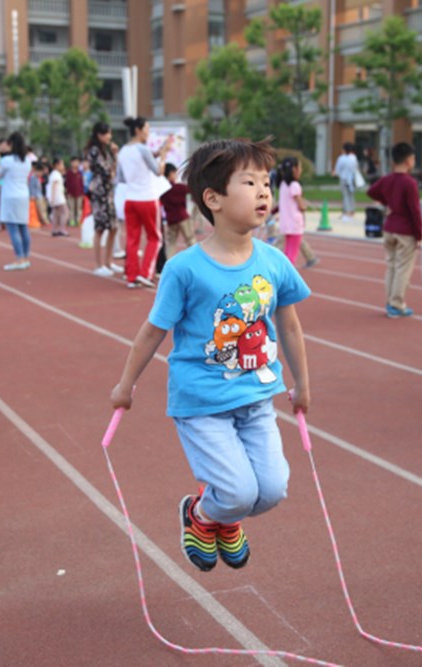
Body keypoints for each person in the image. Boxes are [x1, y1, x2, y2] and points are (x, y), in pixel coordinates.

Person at [110, 137, 311, 572]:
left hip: (257, 399)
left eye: (266, 183)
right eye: (250, 182)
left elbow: (290, 326)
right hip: (202, 403)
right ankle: (204, 513)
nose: (263, 192)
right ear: (213, 199)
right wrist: (126, 385)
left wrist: (302, 385)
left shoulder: (274, 262)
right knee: (238, 491)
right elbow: (152, 332)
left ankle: (220, 514)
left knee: (273, 489)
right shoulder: (185, 268)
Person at [367, 142, 422, 318]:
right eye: (413, 158)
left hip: (389, 228)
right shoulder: (409, 183)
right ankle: (396, 304)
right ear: (408, 160)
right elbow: (415, 210)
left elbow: (371, 191)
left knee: (391, 266)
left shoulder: (387, 179)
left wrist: (387, 202)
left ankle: (391, 301)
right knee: (402, 269)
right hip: (405, 230)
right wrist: (419, 233)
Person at [116, 116, 173, 288]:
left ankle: (131, 276)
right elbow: (158, 172)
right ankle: (146, 273)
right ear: (138, 130)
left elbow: (121, 177)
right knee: (154, 237)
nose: (148, 133)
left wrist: (154, 155)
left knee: (132, 239)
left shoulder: (123, 151)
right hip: (147, 199)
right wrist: (162, 156)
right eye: (147, 129)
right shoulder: (143, 149)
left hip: (130, 199)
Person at [85, 122, 121, 277]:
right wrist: (114, 157)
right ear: (99, 135)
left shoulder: (105, 150)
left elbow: (114, 171)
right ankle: (99, 265)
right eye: (107, 134)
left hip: (108, 191)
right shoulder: (94, 151)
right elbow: (107, 170)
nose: (110, 137)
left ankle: (108, 262)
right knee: (100, 228)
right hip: (100, 193)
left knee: (113, 227)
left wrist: (114, 156)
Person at [0, 132, 35, 271]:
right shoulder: (27, 161)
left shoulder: (7, 161)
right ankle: (26, 257)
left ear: (11, 144)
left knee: (13, 228)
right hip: (23, 195)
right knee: (23, 227)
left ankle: (19, 258)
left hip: (10, 196)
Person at [276, 157, 311, 266]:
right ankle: (286, 276)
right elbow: (300, 205)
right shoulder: (295, 185)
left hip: (285, 223)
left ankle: (284, 273)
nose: (300, 170)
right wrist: (304, 206)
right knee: (292, 253)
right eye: (299, 167)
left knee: (287, 251)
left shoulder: (283, 185)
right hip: (295, 224)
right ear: (294, 170)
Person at [160, 162, 196, 256]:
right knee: (190, 240)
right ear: (171, 173)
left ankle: (169, 263)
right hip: (183, 217)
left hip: (170, 218)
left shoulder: (162, 189)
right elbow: (191, 189)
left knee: (171, 243)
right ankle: (196, 260)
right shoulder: (179, 187)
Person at [333, 143, 360, 223]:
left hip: (344, 178)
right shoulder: (353, 157)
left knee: (345, 196)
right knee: (351, 195)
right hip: (352, 179)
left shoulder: (341, 158)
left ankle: (347, 213)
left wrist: (335, 173)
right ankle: (352, 211)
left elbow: (337, 169)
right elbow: (356, 168)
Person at [47, 156, 69, 237]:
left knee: (56, 213)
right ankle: (62, 229)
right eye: (62, 164)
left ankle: (54, 229)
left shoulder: (54, 174)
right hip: (58, 197)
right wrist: (53, 197)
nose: (63, 166)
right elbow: (53, 186)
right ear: (57, 165)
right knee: (65, 212)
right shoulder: (56, 174)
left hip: (55, 197)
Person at [64, 156, 85, 228]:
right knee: (71, 208)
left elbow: (81, 183)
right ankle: (72, 220)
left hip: (79, 193)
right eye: (74, 162)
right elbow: (66, 183)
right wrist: (67, 192)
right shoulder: (69, 173)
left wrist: (82, 193)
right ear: (71, 163)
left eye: (77, 162)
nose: (75, 163)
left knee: (79, 208)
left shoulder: (80, 173)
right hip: (70, 193)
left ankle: (78, 220)